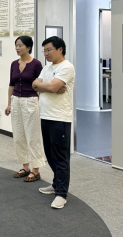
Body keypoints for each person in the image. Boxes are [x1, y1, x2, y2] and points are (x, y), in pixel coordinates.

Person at [32, 36, 75, 209]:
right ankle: (56, 184)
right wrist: (48, 87)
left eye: (49, 50)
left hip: (60, 118)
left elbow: (49, 86)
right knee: (50, 155)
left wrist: (46, 86)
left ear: (60, 49)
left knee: (60, 157)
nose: (46, 53)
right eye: (44, 51)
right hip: (45, 116)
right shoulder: (47, 68)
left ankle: (61, 194)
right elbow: (35, 85)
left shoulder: (67, 67)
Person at [5, 36, 44, 182]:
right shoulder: (14, 64)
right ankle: (25, 167)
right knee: (18, 136)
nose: (17, 48)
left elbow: (41, 85)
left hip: (30, 101)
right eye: (16, 45)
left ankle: (36, 170)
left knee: (32, 137)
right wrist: (9, 103)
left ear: (28, 47)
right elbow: (11, 85)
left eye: (20, 45)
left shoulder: (36, 64)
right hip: (16, 101)